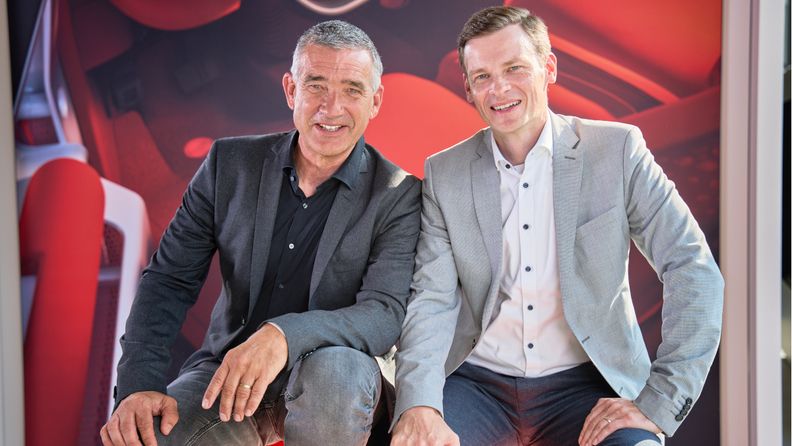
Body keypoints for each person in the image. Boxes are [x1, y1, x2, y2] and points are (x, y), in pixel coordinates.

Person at [391, 6, 723, 446]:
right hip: (475, 385)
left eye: (514, 68)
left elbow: (692, 266)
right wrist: (418, 404)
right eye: (483, 76)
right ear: (468, 88)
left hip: (589, 385)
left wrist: (660, 401)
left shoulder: (618, 151)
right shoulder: (444, 173)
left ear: (548, 68)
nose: (499, 88)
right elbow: (431, 301)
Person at [100, 20, 421, 446]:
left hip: (337, 383)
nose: (332, 107)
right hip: (229, 372)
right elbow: (169, 279)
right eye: (316, 85)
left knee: (336, 375)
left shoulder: (399, 194)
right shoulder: (228, 164)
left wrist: (283, 336)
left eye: (352, 90)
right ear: (290, 89)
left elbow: (382, 314)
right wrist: (138, 385)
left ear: (375, 100)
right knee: (146, 437)